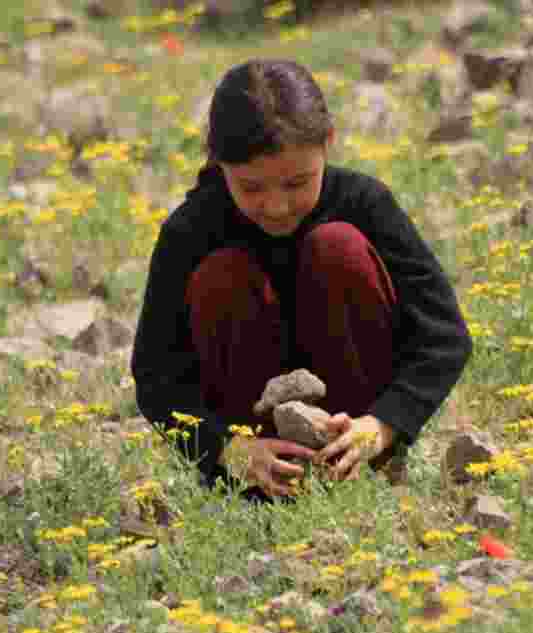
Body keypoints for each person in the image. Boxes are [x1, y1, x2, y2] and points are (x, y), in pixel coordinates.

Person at [130, 58, 473, 499]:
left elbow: (444, 336)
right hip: (250, 459)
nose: (276, 206)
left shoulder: (364, 204)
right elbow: (156, 375)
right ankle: (264, 482)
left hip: (355, 445)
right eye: (252, 188)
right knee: (221, 275)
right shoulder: (191, 231)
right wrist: (228, 451)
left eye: (296, 183)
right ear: (219, 162)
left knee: (337, 247)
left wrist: (382, 424)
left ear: (327, 142)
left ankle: (362, 469)